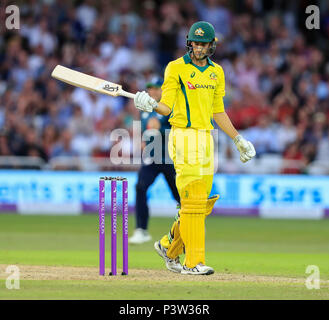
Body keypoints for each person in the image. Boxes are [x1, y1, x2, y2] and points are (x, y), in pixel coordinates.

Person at [133, 21, 256, 275]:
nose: (199, 48)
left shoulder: (217, 72)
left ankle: (169, 245)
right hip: (183, 136)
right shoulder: (175, 68)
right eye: (195, 43)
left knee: (201, 203)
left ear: (212, 46)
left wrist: (237, 138)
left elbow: (217, 111)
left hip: (206, 139)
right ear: (189, 42)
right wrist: (150, 104)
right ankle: (193, 263)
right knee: (190, 204)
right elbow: (167, 107)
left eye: (204, 44)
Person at [129, 77, 180, 244]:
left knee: (179, 196)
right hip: (152, 157)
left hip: (170, 158)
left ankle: (190, 226)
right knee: (140, 186)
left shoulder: (170, 107)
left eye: (156, 88)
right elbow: (146, 131)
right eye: (150, 88)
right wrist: (144, 140)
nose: (152, 91)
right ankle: (141, 230)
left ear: (163, 90)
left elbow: (178, 130)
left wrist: (161, 130)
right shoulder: (144, 110)